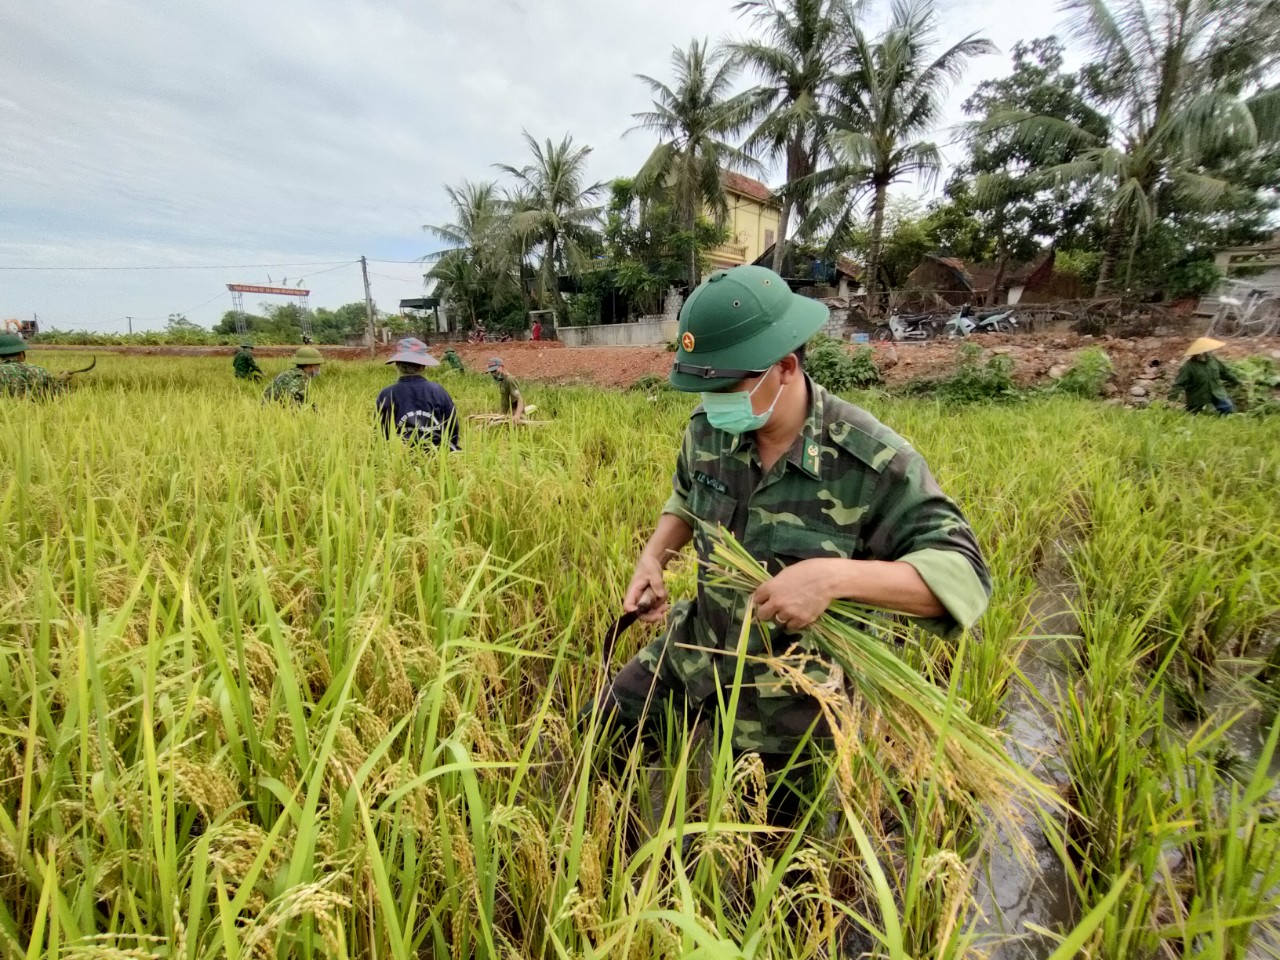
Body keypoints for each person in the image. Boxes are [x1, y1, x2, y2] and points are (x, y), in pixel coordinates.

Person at [597, 265, 992, 824]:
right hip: (697, 647)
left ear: (784, 368)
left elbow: (965, 574)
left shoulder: (872, 461)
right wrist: (653, 557)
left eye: (723, 388)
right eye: (701, 389)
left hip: (790, 702)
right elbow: (687, 497)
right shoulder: (708, 429)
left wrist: (833, 578)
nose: (711, 405)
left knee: (768, 846)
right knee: (602, 738)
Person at [376, 338, 460, 450]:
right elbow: (452, 426)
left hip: (400, 455)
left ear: (397, 364)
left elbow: (381, 431)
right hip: (437, 454)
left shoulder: (386, 394)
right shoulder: (438, 391)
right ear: (423, 366)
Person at [1173, 337, 1239, 414]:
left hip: (1217, 391)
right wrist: (1173, 398)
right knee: (1193, 414)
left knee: (1228, 408)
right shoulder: (1188, 366)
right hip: (1198, 396)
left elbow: (1225, 373)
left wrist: (1236, 381)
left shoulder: (1213, 361)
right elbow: (1179, 383)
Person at [0, 333, 67, 398]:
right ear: (21, 354)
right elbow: (59, 394)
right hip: (38, 408)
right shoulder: (41, 371)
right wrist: (62, 379)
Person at [486, 357, 524, 421]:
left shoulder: (510, 380)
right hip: (507, 416)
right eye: (491, 372)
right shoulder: (503, 381)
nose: (493, 374)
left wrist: (517, 416)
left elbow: (519, 399)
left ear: (502, 367)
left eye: (495, 371)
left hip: (514, 417)